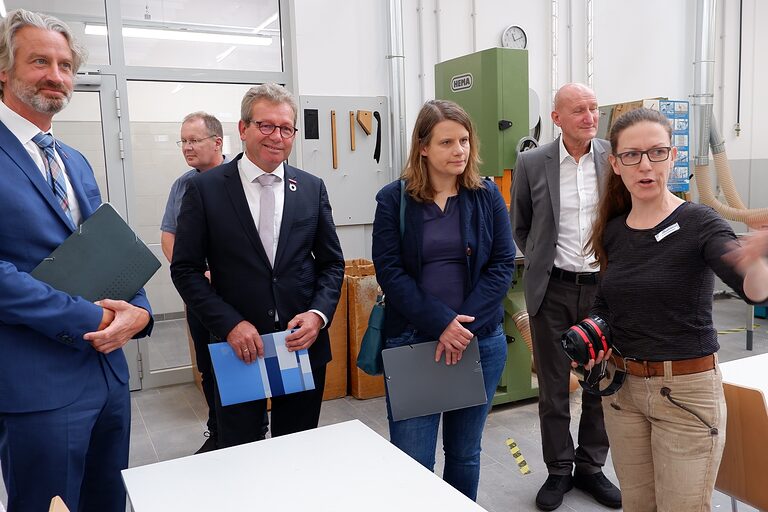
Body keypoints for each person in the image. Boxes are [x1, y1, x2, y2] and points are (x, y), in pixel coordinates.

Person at [0, 9, 153, 512]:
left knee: (109, 502)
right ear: (4, 69)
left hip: (107, 378)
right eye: (39, 61)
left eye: (65, 65)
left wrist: (140, 311)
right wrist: (96, 319)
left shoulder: (73, 159)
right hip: (38, 385)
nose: (56, 76)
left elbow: (109, 247)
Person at [584, 107, 768, 511]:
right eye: (632, 155)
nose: (645, 165)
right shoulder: (614, 229)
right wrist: (591, 336)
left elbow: (754, 291)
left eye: (657, 152)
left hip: (685, 394)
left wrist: (756, 259)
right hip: (621, 392)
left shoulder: (701, 223)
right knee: (638, 505)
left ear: (673, 157)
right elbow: (606, 303)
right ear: (615, 163)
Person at [170, 83, 345, 447]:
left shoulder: (311, 188)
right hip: (239, 349)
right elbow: (185, 269)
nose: (276, 136)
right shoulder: (206, 190)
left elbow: (331, 264)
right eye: (266, 125)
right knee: (241, 451)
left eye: (286, 128)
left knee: (295, 449)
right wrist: (230, 325)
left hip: (300, 347)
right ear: (243, 129)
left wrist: (318, 315)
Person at [371, 99, 515, 501]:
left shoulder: (485, 195)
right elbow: (390, 272)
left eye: (465, 140)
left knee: (466, 453)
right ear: (423, 148)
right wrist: (442, 324)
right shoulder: (394, 200)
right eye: (447, 142)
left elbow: (503, 264)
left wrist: (462, 325)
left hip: (479, 342)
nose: (459, 151)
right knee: (413, 458)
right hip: (416, 342)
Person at [511, 83, 621, 510]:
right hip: (553, 288)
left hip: (603, 291)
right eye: (579, 110)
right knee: (554, 387)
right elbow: (520, 225)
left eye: (594, 108)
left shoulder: (614, 157)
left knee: (601, 381)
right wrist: (542, 262)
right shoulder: (533, 162)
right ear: (556, 118)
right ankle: (559, 470)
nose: (590, 117)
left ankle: (591, 468)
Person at [161, 111, 226, 453]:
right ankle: (216, 431)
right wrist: (196, 276)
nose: (187, 147)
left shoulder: (239, 179)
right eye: (183, 141)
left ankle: (249, 431)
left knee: (240, 363)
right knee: (208, 364)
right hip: (200, 296)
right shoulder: (184, 185)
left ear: (217, 142)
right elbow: (168, 236)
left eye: (194, 140)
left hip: (238, 295)